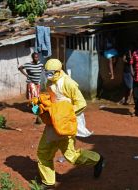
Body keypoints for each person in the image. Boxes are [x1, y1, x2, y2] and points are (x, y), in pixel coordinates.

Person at [37, 59, 105, 189]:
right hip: (53, 124)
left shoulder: (68, 83)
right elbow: (52, 100)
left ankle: (97, 159)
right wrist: (42, 105)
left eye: (50, 73)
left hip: (66, 125)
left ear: (58, 71)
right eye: (46, 73)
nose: (48, 75)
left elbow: (81, 103)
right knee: (43, 153)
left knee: (71, 156)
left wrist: (64, 115)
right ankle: (48, 182)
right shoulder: (49, 82)